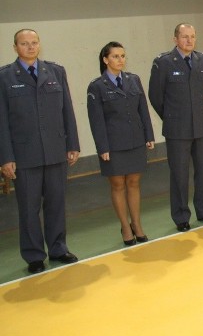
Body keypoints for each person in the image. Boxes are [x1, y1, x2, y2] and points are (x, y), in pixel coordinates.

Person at [0, 29, 80, 274]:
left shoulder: (55, 71)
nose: (30, 47)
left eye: (34, 43)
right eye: (24, 44)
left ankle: (58, 248)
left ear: (39, 45)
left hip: (55, 150)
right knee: (28, 207)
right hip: (25, 155)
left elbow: (67, 110)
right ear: (15, 47)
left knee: (56, 202)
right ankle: (34, 255)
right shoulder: (5, 77)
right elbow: (1, 121)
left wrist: (73, 144)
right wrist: (6, 157)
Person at [148, 23, 203, 232]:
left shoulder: (202, 60)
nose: (189, 40)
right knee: (180, 174)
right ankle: (181, 216)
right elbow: (155, 96)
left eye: (192, 36)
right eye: (184, 37)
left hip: (201, 125)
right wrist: (172, 117)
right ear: (175, 39)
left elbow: (202, 89)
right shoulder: (163, 62)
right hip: (177, 128)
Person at [86, 41, 155, 246]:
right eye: (115, 56)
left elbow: (143, 109)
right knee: (118, 185)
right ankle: (125, 226)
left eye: (123, 56)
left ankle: (137, 224)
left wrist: (148, 136)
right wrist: (102, 148)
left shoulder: (133, 80)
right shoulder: (97, 86)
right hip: (113, 144)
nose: (120, 60)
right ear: (105, 59)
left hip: (135, 140)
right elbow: (96, 120)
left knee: (134, 183)